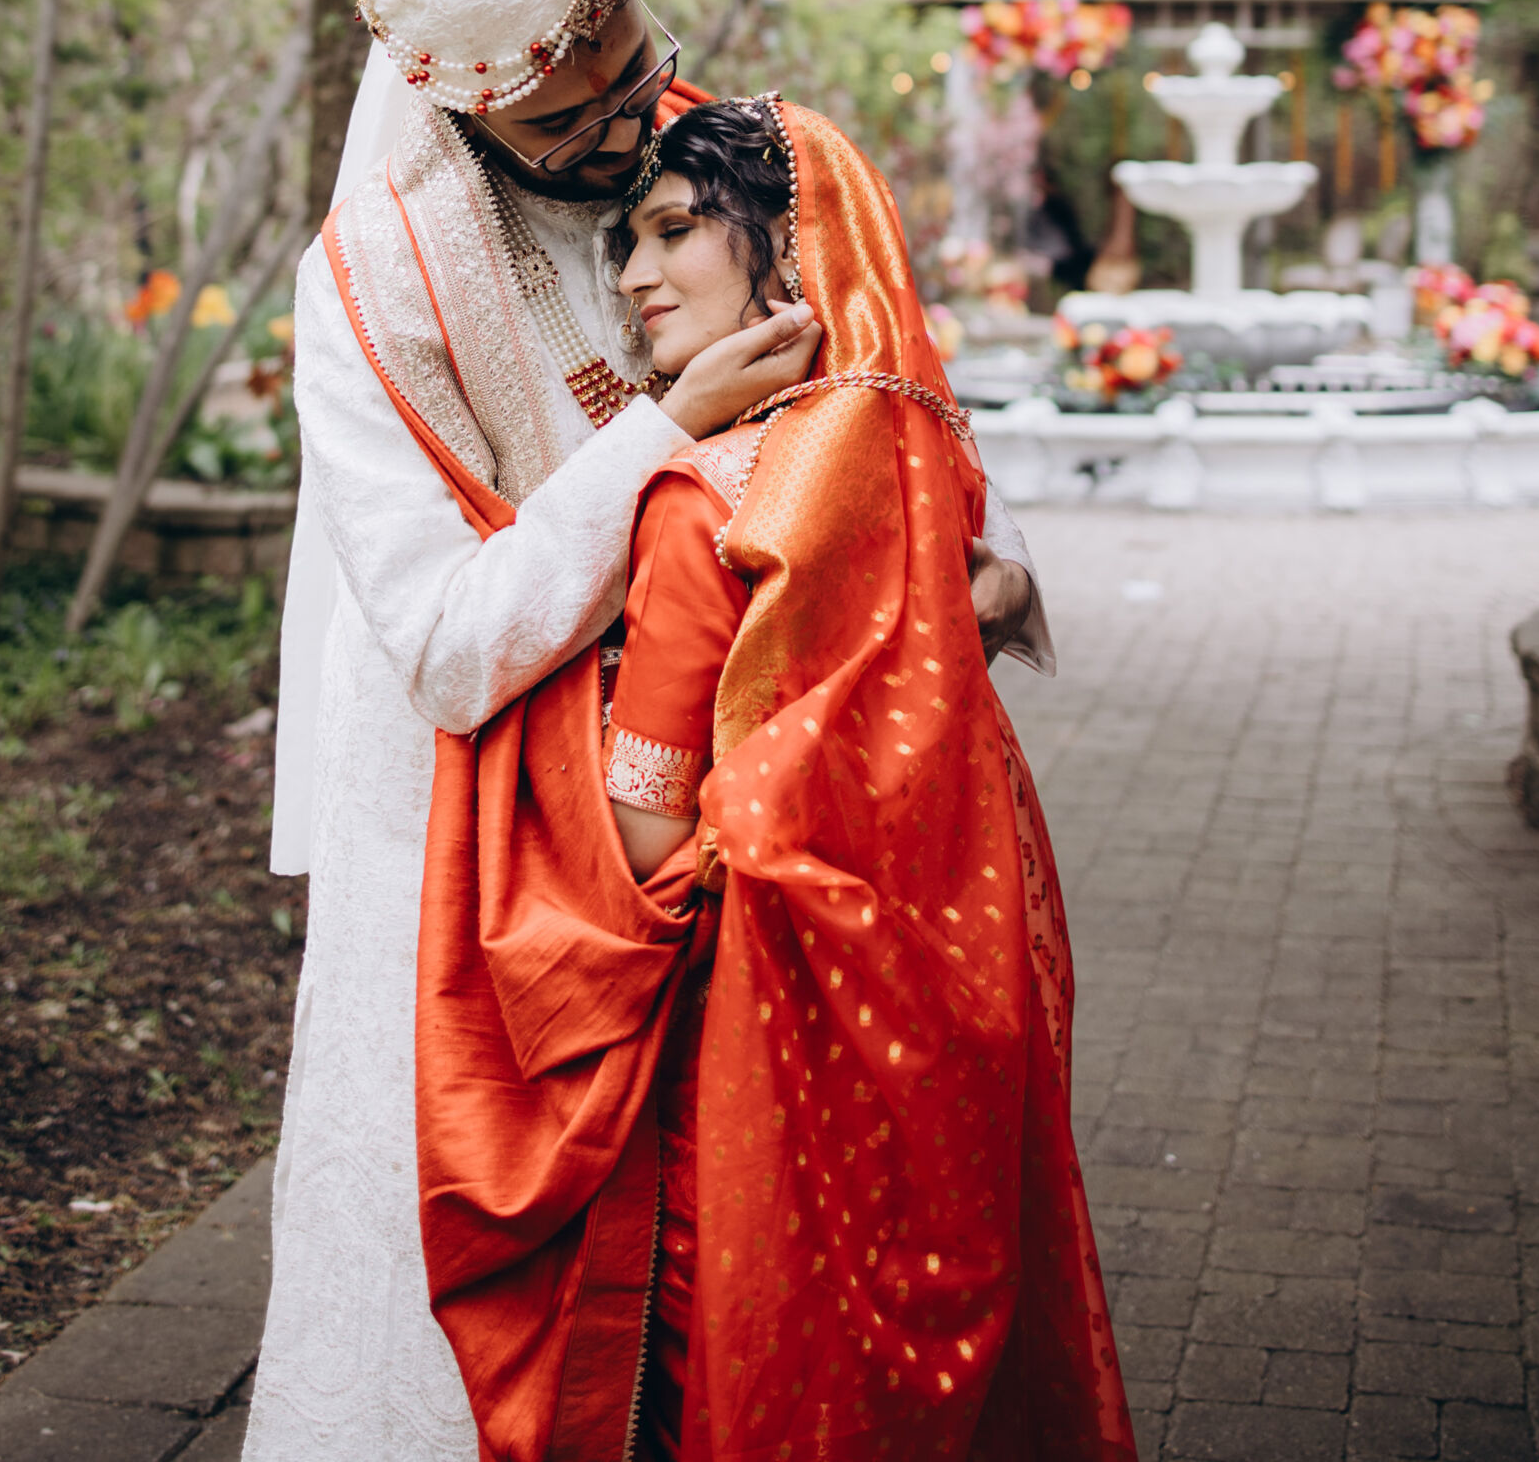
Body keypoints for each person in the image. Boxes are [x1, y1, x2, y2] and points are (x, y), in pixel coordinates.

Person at [247, 0, 1051, 1462]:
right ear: (470, 105)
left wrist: (963, 555)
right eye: (578, 122)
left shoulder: (698, 150)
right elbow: (447, 645)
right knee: (472, 1285)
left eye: (639, 73)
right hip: (478, 829)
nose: (633, 135)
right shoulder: (375, 276)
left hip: (748, 807)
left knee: (733, 1261)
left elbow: (882, 376)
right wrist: (666, 438)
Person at [411, 96, 1131, 1461]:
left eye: (675, 230)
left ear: (789, 244)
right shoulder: (922, 460)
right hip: (956, 984)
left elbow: (643, 832)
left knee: (764, 1344)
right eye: (630, 241)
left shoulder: (702, 503)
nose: (635, 274)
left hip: (768, 1021)